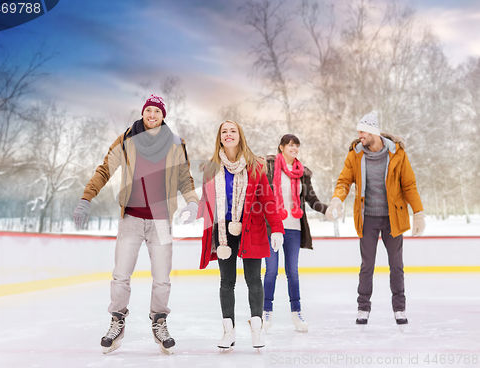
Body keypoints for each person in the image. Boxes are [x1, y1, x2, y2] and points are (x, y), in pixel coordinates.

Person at [73, 94, 199, 354]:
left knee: (162, 278)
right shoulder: (127, 138)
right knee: (120, 275)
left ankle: (160, 322)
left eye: (157, 111)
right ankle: (117, 321)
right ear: (143, 113)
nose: (152, 115)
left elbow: (184, 177)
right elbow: (105, 169)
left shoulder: (176, 143)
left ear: (164, 116)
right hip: (131, 216)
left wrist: (192, 201)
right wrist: (86, 198)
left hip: (161, 219)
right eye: (149, 110)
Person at [325, 111, 425, 325]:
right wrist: (336, 199)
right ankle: (363, 308)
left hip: (393, 218)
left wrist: (418, 213)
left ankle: (400, 309)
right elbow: (344, 181)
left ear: (373, 132)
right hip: (367, 218)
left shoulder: (397, 153)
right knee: (366, 265)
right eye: (358, 131)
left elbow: (409, 185)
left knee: (396, 264)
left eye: (362, 131)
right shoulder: (355, 154)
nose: (359, 135)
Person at [197, 120, 284, 351]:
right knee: (227, 282)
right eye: (224, 131)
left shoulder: (255, 166)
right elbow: (207, 201)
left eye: (232, 131)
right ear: (219, 137)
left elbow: (267, 200)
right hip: (223, 232)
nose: (228, 134)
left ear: (240, 136)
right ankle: (229, 331)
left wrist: (276, 228)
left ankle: (257, 329)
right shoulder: (211, 167)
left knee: (254, 280)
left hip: (250, 229)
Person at [263, 134, 328, 332]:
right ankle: (266, 313)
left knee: (293, 272)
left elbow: (312, 199)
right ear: (281, 147)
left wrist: (327, 209)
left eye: (297, 145)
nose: (294, 148)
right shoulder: (269, 168)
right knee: (271, 271)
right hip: (273, 227)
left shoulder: (302, 173)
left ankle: (297, 315)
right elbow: (262, 195)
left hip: (294, 228)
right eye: (290, 145)